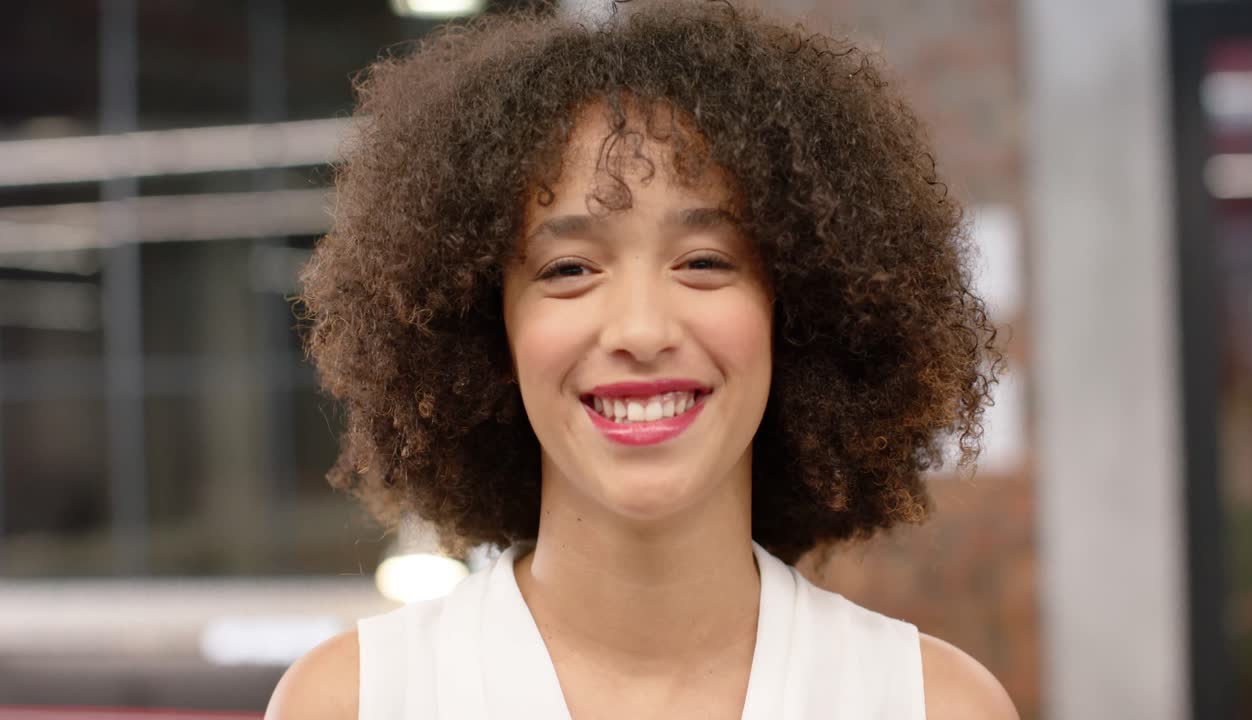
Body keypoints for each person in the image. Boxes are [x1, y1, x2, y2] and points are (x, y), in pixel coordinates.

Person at [267, 0, 1015, 717]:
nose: (642, 328)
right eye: (568, 270)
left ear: (801, 313)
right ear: (485, 331)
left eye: (703, 261)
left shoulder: (930, 706)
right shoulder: (355, 703)